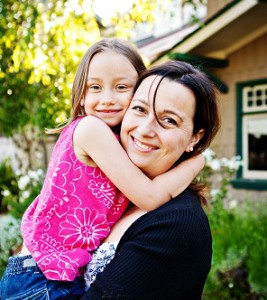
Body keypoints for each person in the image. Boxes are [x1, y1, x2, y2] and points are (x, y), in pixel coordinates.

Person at [0, 40, 204, 300]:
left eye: (121, 87)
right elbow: (150, 196)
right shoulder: (91, 130)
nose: (107, 99)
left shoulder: (116, 142)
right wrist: (198, 162)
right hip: (41, 278)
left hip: (49, 273)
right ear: (81, 96)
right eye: (95, 87)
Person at [80, 60, 220, 299]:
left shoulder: (178, 225)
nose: (145, 130)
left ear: (194, 138)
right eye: (140, 109)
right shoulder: (108, 192)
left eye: (169, 120)